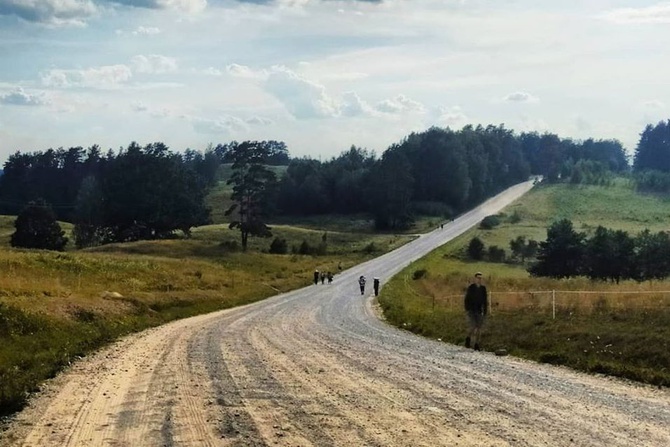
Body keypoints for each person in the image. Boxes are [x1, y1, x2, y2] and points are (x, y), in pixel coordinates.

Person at [464, 272, 488, 351]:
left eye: (480, 278)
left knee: (479, 328)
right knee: (473, 326)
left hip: (479, 310)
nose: (479, 279)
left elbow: (485, 300)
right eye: (478, 278)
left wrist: (485, 311)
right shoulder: (471, 288)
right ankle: (468, 338)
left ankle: (476, 344)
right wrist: (467, 309)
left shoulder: (483, 289)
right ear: (475, 279)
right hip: (471, 310)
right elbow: (466, 299)